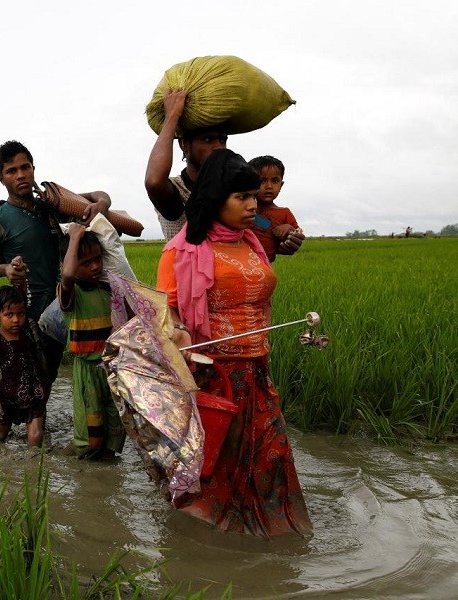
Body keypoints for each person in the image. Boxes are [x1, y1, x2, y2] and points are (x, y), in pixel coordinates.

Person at [157, 148, 312, 537]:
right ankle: (208, 540)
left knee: (271, 456)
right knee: (217, 467)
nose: (253, 203)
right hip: (215, 378)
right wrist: (176, 331)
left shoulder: (252, 244)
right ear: (215, 198)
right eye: (241, 196)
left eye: (254, 195)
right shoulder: (182, 251)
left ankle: (273, 533)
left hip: (257, 370)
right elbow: (165, 311)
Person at [0, 140, 111, 399]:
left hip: (59, 307)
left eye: (25, 167)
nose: (21, 175)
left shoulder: (51, 206)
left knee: (48, 374)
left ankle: (35, 431)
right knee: (26, 376)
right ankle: (18, 429)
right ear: (1, 178)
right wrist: (4, 269)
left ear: (34, 169)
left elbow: (101, 196)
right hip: (25, 312)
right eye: (11, 171)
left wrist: (100, 207)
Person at [144, 90, 306, 255]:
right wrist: (172, 115)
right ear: (184, 145)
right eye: (208, 140)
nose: (218, 147)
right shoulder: (177, 190)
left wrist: (282, 239)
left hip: (235, 274)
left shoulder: (232, 188)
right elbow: (154, 182)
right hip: (191, 277)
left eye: (222, 140)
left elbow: (258, 225)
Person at [59, 223, 125, 460]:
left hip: (112, 369)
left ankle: (104, 483)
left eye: (98, 259)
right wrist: (74, 236)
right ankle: (78, 464)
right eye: (85, 263)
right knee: (91, 440)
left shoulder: (109, 289)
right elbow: (67, 275)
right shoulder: (71, 292)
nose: (95, 266)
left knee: (114, 436)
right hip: (87, 370)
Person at [0, 285, 46, 447]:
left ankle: (34, 468)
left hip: (34, 394)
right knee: (0, 434)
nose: (16, 319)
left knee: (35, 437)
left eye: (20, 314)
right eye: (9, 315)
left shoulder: (28, 331)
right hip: (8, 396)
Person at [248, 156, 303, 261]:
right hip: (239, 261)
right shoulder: (243, 208)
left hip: (265, 266)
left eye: (275, 181)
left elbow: (298, 233)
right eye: (262, 181)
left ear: (281, 185)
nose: (269, 186)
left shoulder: (284, 213)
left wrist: (289, 229)